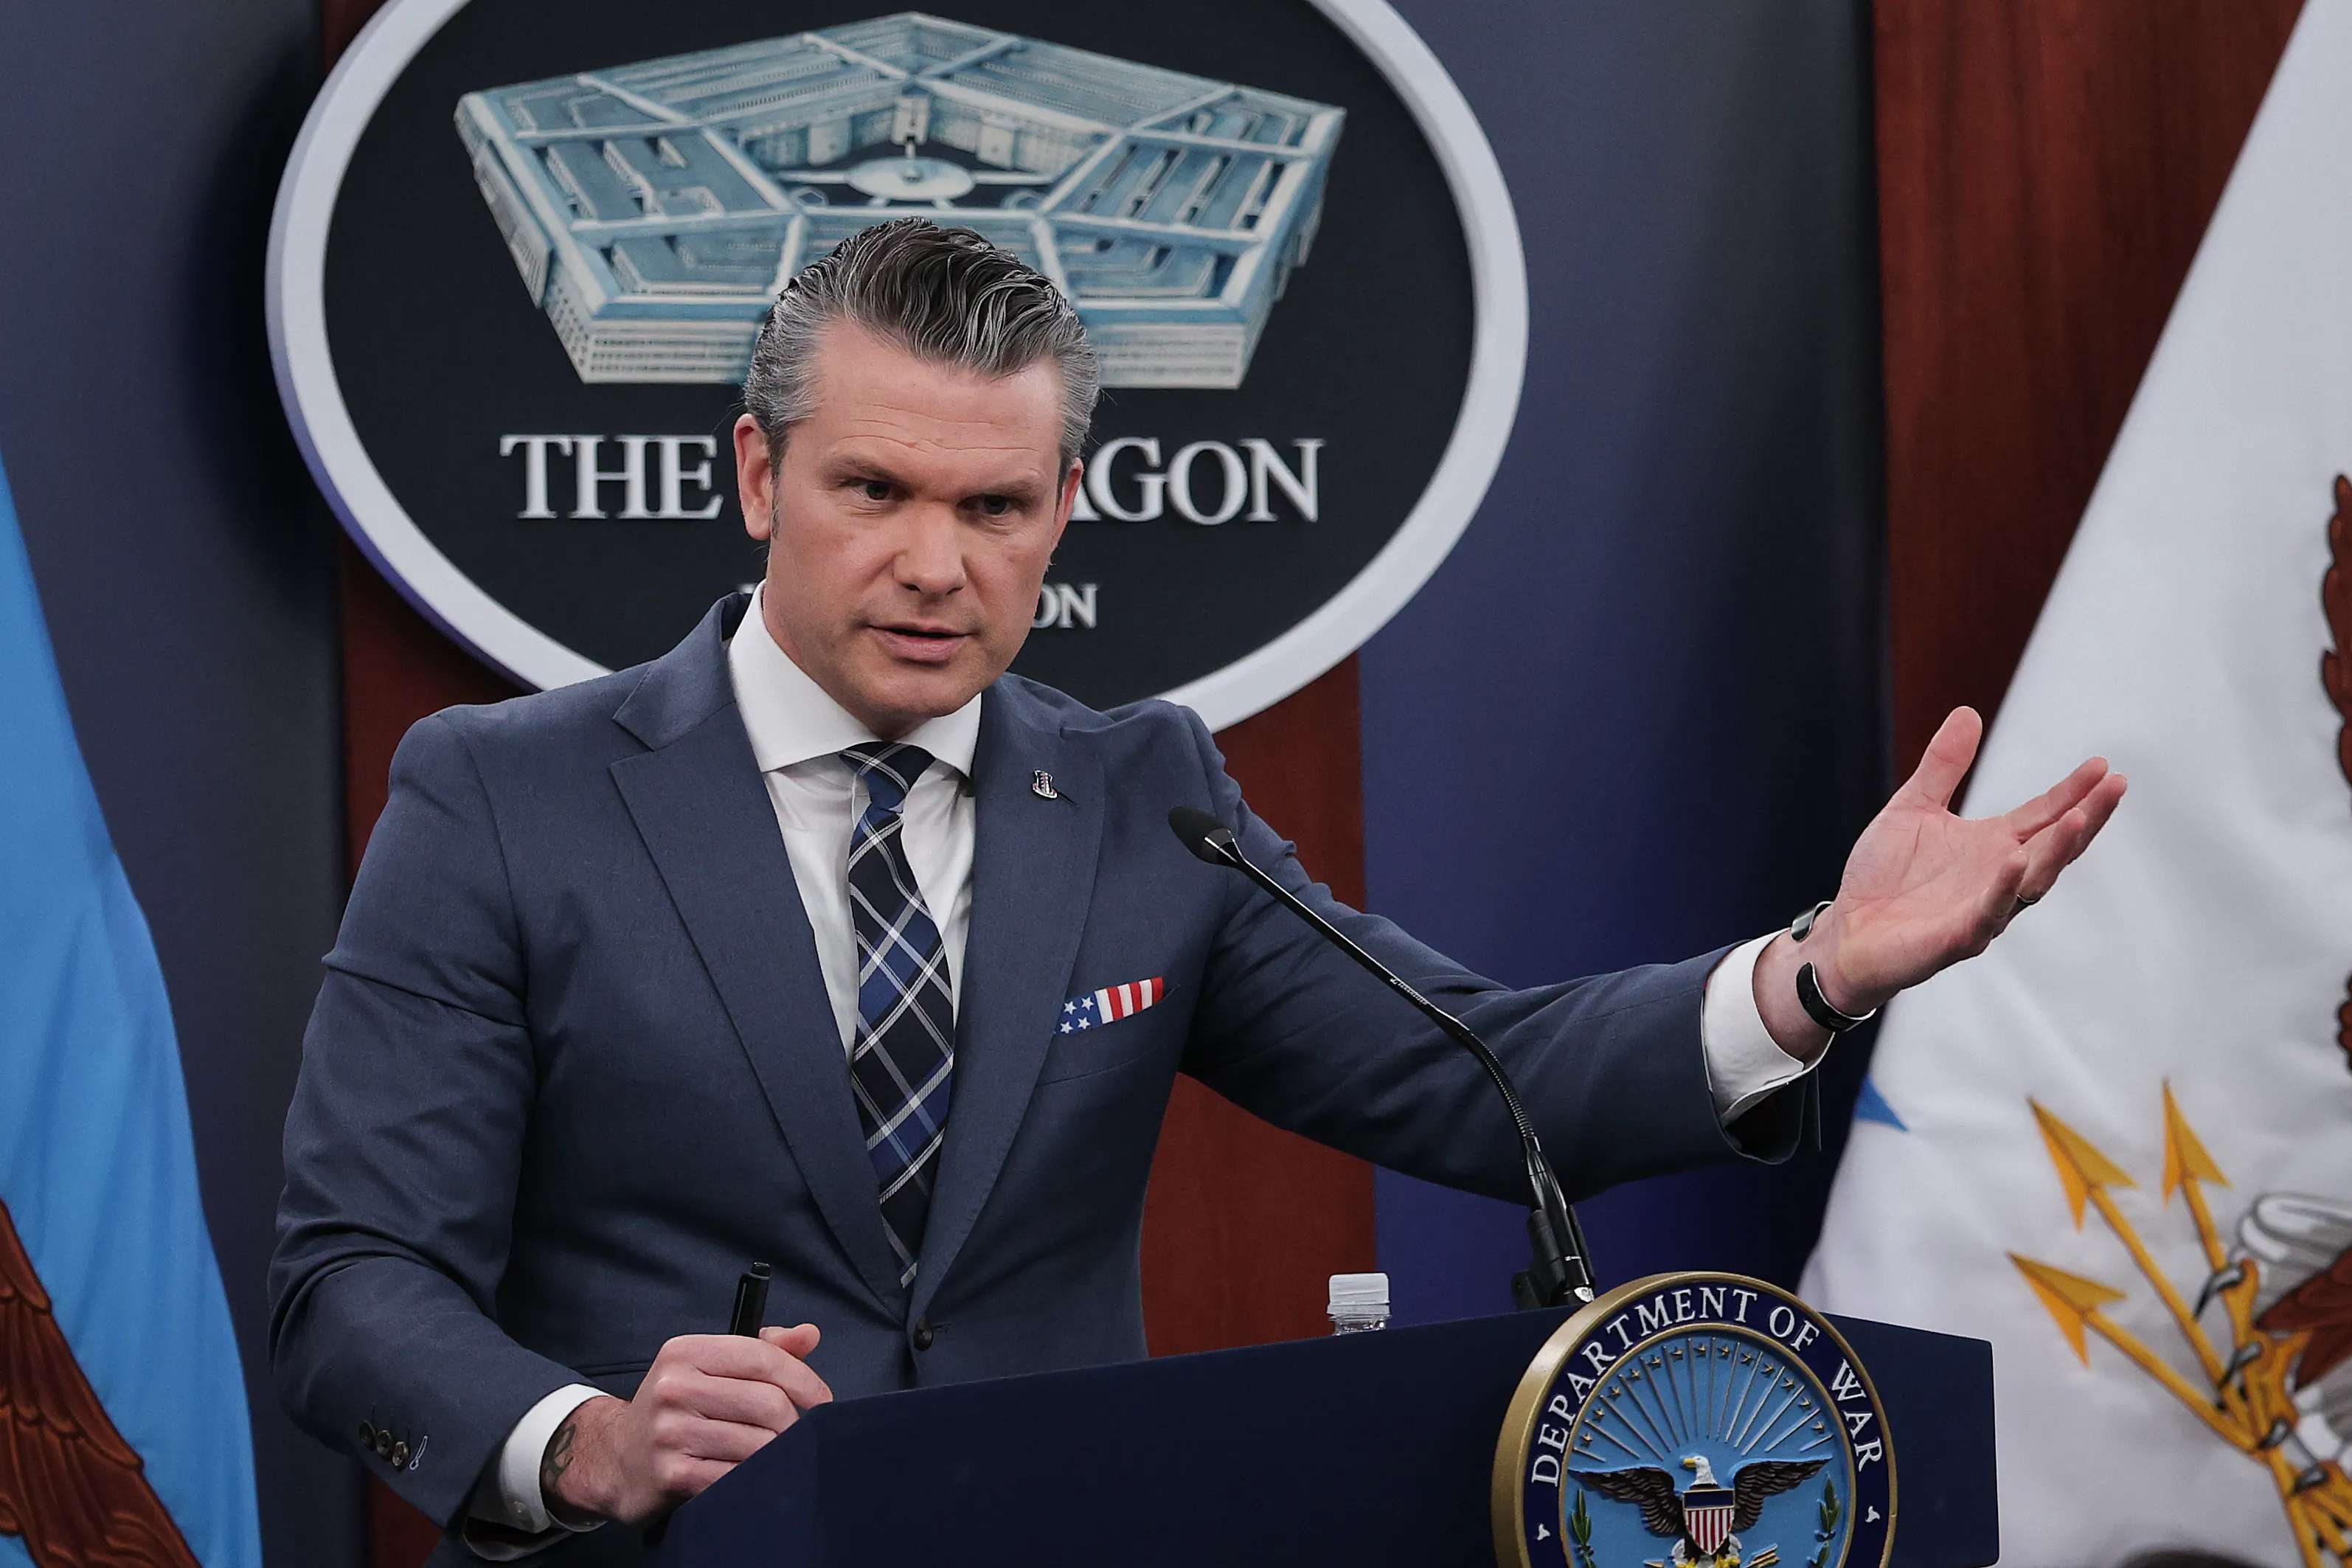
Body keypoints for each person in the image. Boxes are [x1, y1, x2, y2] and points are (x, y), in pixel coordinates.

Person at [269, 218, 2123, 1564]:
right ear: (758, 473)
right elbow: (351, 1280)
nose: (935, 563)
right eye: (874, 490)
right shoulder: (502, 796)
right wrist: (584, 1439)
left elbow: (1486, 1075)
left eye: (995, 508)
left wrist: (1819, 967)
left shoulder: (1141, 793)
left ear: (1064, 506)